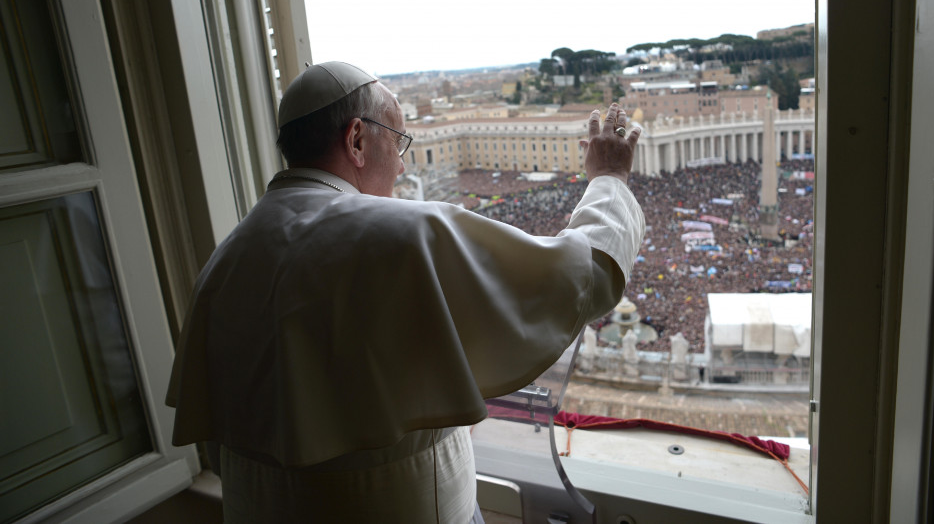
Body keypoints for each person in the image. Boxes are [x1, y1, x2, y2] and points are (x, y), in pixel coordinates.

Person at [166, 61, 645, 523]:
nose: (400, 166)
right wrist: (609, 179)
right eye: (397, 142)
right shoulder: (405, 233)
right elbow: (584, 275)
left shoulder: (225, 258)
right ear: (356, 139)